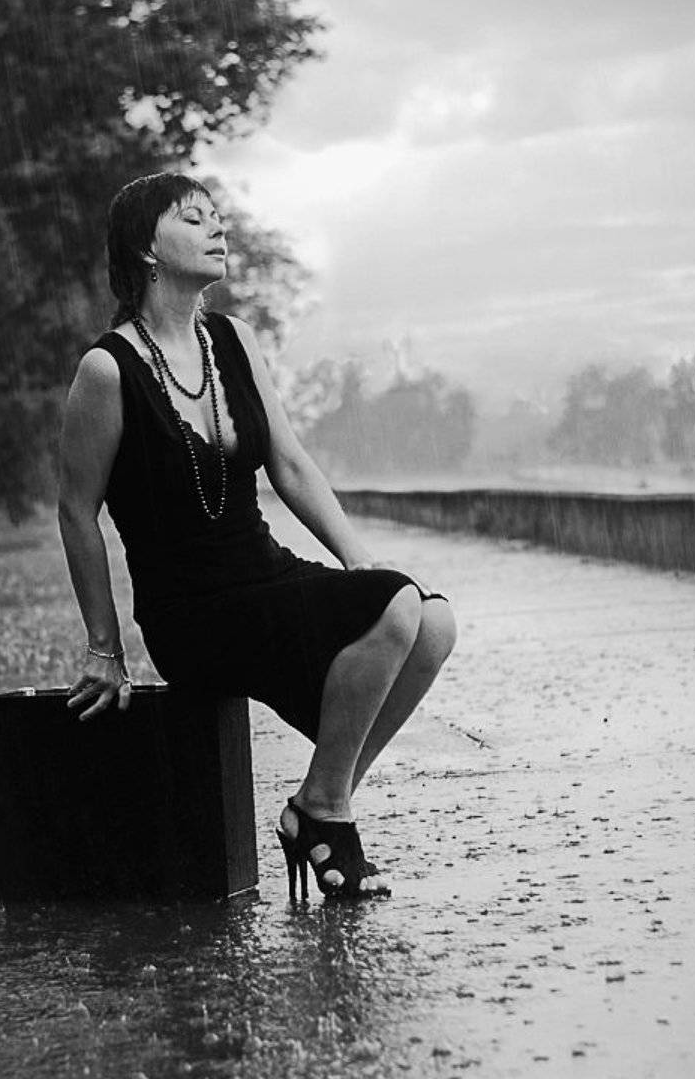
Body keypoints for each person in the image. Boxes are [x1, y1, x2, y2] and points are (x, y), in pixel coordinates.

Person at [57, 173, 456, 900]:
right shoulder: (106, 370)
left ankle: (320, 802)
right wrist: (105, 648)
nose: (217, 230)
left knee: (431, 622)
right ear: (146, 248)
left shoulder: (233, 341)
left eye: (217, 217)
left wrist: (358, 562)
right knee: (396, 605)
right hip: (190, 610)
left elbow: (291, 464)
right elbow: (76, 511)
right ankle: (323, 813)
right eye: (193, 219)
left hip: (265, 573)